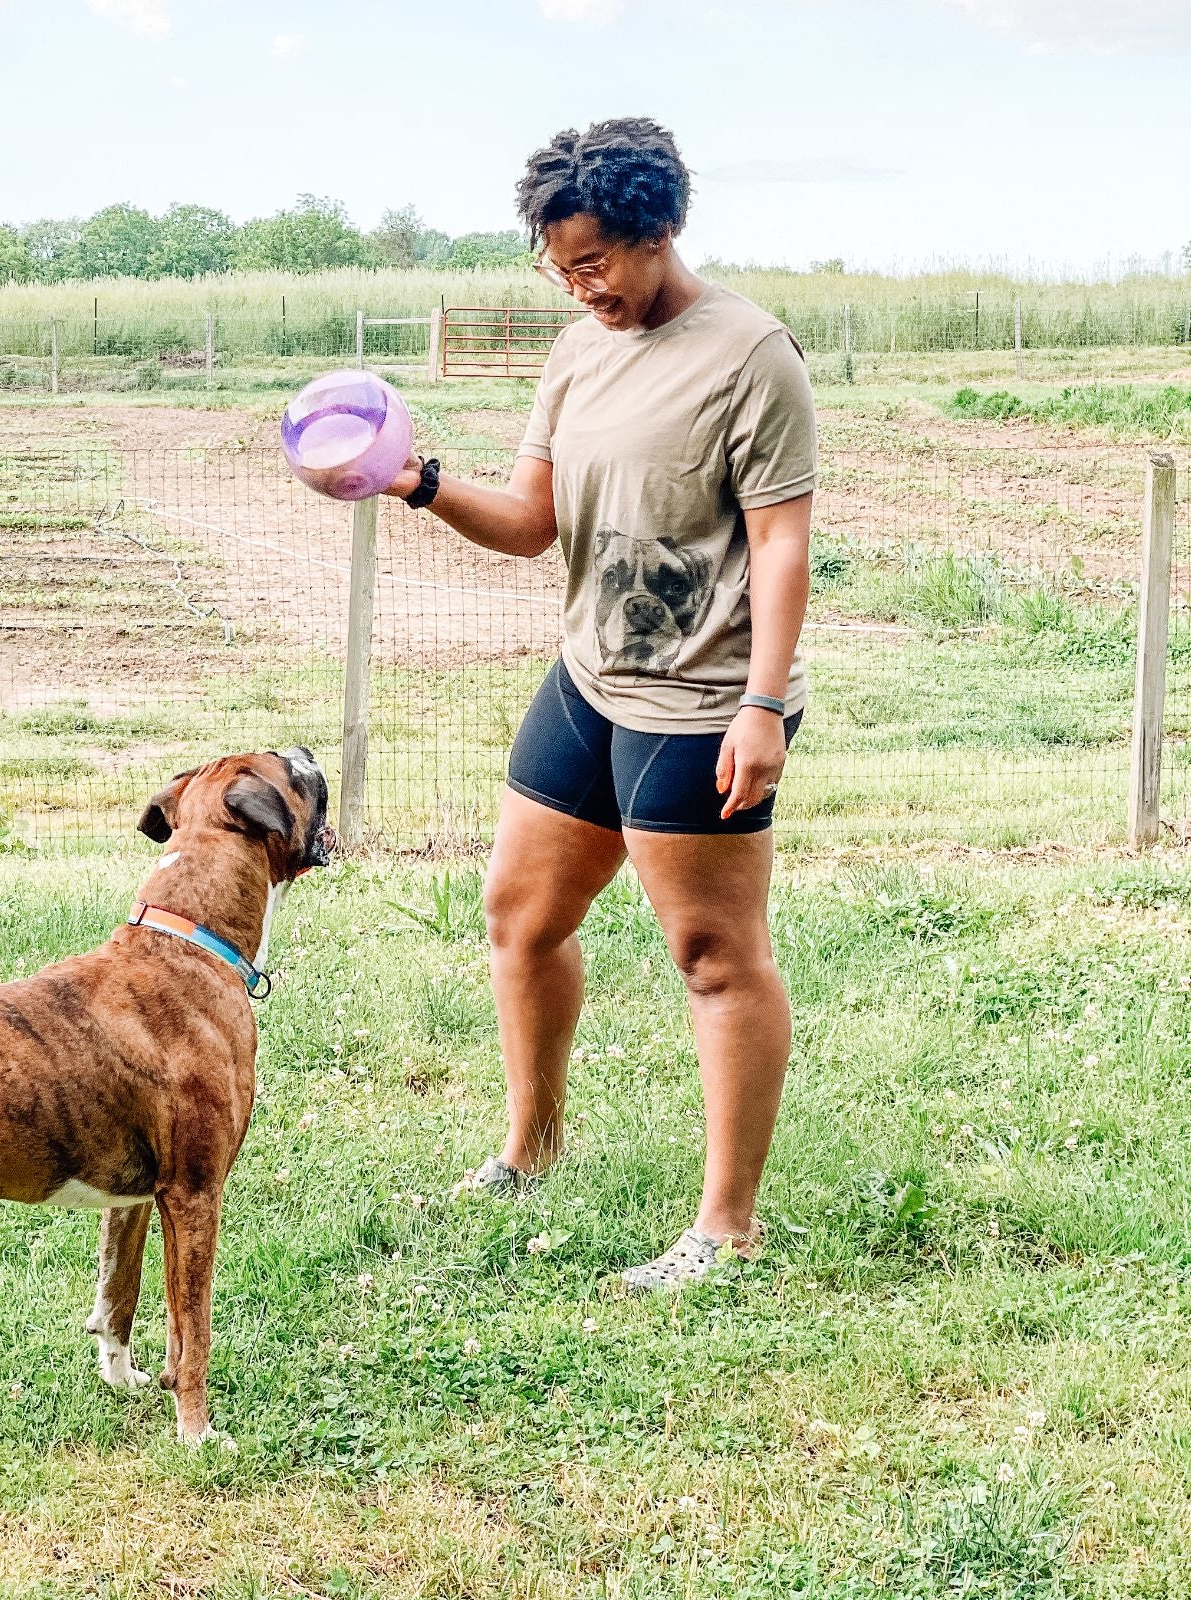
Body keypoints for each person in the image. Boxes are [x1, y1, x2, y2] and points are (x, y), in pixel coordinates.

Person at [388, 117, 817, 1290]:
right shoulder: (577, 354)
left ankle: (724, 1228)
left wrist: (764, 706)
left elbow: (781, 545)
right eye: (558, 266)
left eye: (594, 264)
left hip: (702, 695)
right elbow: (533, 524)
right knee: (519, 914)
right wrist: (415, 481)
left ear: (657, 232)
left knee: (711, 951)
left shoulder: (748, 355)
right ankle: (529, 1151)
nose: (580, 288)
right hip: (589, 677)